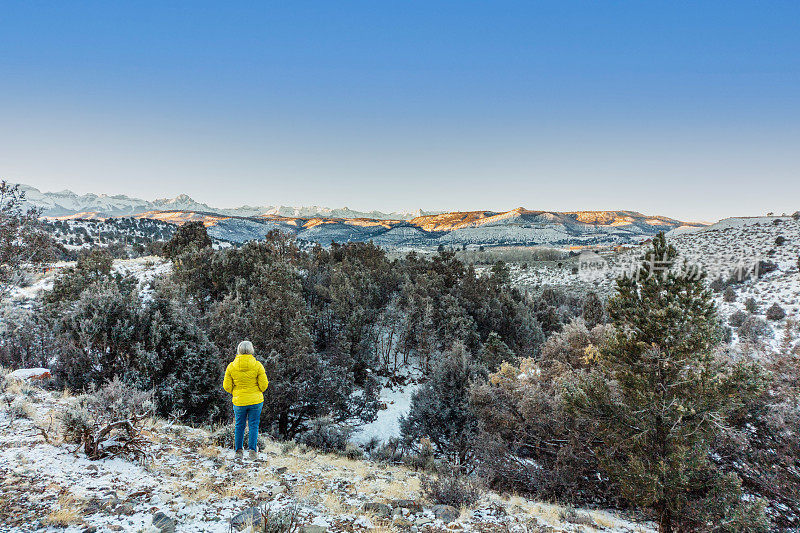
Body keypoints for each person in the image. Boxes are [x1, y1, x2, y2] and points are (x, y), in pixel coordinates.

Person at [223, 340, 268, 460]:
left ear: (238, 350)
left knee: (239, 425)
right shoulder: (258, 365)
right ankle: (252, 451)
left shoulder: (231, 366)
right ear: (251, 350)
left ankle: (238, 451)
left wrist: (236, 392)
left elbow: (227, 386)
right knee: (253, 425)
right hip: (256, 401)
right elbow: (264, 386)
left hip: (239, 401)